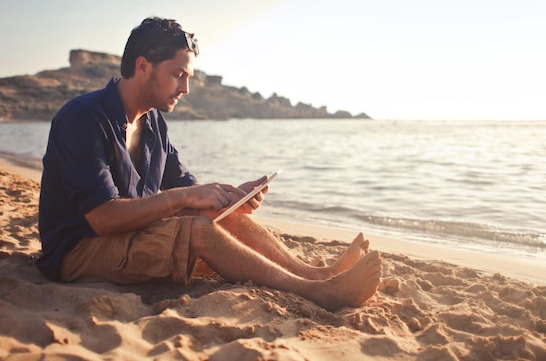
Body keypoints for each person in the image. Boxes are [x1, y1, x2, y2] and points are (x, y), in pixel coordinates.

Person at [37, 17, 383, 310]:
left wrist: (231, 198)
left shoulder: (153, 123)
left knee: (216, 216)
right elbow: (102, 217)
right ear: (143, 67)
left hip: (126, 234)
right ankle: (320, 294)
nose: (186, 88)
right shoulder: (82, 118)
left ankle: (316, 274)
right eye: (178, 75)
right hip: (78, 251)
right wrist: (182, 199)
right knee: (197, 229)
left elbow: (186, 187)